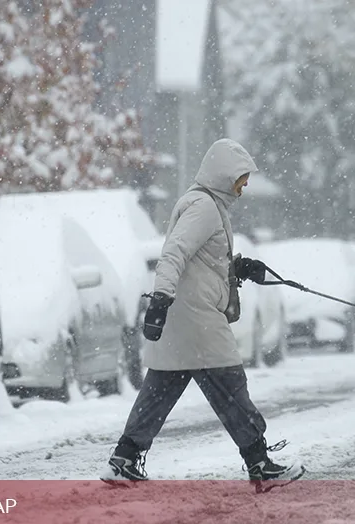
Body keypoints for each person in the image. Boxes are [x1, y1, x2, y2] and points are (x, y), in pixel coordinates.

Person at [100, 138, 306, 493]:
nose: (244, 187)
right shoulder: (204, 207)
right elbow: (173, 254)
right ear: (224, 175)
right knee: (231, 388)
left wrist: (238, 266)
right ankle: (260, 464)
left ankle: (125, 459)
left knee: (159, 391)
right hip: (197, 321)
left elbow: (201, 259)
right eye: (241, 178)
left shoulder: (207, 205)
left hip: (185, 320)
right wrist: (160, 298)